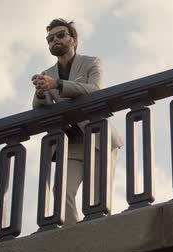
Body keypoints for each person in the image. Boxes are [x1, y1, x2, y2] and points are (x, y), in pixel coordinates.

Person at [32, 18, 123, 225]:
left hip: (99, 139)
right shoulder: (48, 73)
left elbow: (95, 90)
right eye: (50, 38)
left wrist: (59, 84)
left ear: (73, 39)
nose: (54, 40)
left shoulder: (92, 62)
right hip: (71, 145)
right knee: (62, 193)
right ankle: (75, 238)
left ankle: (99, 241)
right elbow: (39, 107)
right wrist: (40, 92)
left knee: (98, 201)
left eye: (60, 35)